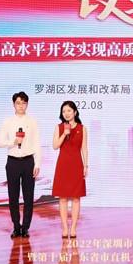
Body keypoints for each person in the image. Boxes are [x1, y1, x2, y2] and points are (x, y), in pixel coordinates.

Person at [0, 91, 41, 238]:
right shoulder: (8, 122)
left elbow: (37, 143)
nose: (21, 106)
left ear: (27, 104)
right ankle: (16, 227)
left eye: (23, 103)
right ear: (13, 104)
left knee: (29, 197)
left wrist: (37, 163)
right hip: (13, 162)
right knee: (13, 196)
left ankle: (25, 228)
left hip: (28, 161)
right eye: (18, 103)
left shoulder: (32, 121)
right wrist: (14, 142)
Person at [52, 100, 88, 239]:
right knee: (62, 198)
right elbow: (55, 146)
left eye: (69, 110)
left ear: (75, 112)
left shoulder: (82, 128)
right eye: (63, 111)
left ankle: (73, 228)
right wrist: (64, 134)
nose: (66, 113)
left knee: (76, 198)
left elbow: (84, 148)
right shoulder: (59, 127)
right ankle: (65, 228)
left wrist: (86, 165)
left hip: (76, 165)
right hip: (63, 165)